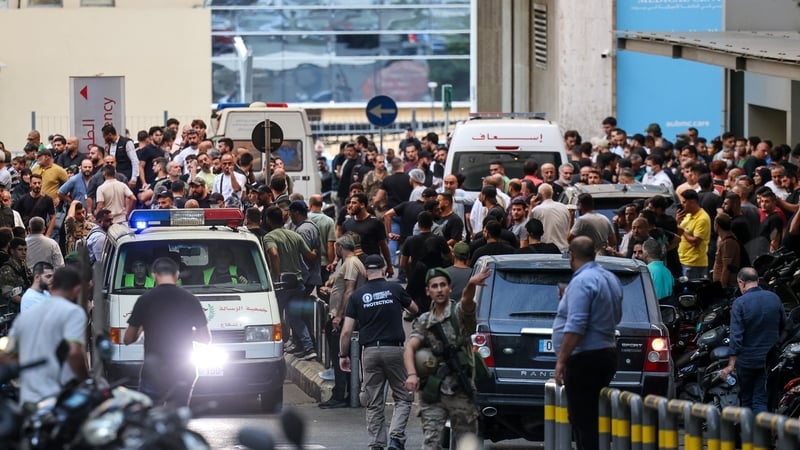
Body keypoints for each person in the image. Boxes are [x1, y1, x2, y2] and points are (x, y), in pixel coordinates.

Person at [403, 266, 491, 450]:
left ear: (450, 288)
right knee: (431, 443)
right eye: (434, 286)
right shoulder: (424, 321)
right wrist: (412, 374)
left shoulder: (458, 315)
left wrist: (471, 284)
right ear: (428, 291)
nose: (439, 289)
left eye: (443, 285)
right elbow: (410, 347)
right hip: (433, 393)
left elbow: (467, 301)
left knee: (467, 444)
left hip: (460, 392)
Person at [339, 255, 418, 450]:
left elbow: (347, 331)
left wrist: (343, 355)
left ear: (366, 272)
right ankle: (396, 438)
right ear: (383, 270)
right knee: (403, 397)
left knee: (373, 401)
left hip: (370, 352)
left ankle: (376, 443)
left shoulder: (357, 296)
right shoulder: (395, 289)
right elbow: (415, 308)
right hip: (394, 349)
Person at [553, 236, 623, 450]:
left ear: (571, 256)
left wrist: (561, 361)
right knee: (588, 417)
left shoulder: (582, 281)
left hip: (585, 359)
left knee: (583, 421)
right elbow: (616, 316)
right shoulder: (609, 278)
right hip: (606, 353)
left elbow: (576, 325)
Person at [123, 257, 210, 407]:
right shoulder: (191, 300)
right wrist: (187, 332)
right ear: (176, 275)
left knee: (150, 419)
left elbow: (128, 338)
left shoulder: (145, 300)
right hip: (183, 371)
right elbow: (205, 338)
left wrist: (144, 326)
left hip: (153, 372)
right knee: (176, 417)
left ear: (154, 275)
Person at [6, 266, 89, 405]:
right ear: (76, 290)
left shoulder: (24, 317)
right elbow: (74, 352)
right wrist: (86, 381)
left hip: (28, 401)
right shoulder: (73, 312)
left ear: (51, 287)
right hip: (58, 399)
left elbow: (8, 357)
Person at [719, 267, 785, 415]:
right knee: (762, 400)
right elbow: (784, 326)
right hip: (770, 361)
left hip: (747, 361)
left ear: (741, 283)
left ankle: (751, 435)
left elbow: (736, 337)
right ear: (758, 280)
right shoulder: (774, 298)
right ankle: (763, 434)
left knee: (748, 400)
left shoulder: (740, 303)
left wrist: (730, 365)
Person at [318, 234, 366, 409]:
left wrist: (339, 316)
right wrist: (331, 291)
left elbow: (349, 291)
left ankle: (340, 394)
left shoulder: (352, 263)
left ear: (339, 247)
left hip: (344, 318)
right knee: (342, 357)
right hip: (344, 316)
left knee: (340, 357)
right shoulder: (350, 263)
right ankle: (345, 393)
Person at [676, 189, 711, 279]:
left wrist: (682, 230)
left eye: (684, 202)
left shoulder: (702, 219)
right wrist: (677, 222)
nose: (682, 205)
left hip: (694, 263)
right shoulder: (688, 215)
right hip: (682, 259)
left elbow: (695, 242)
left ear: (692, 202)